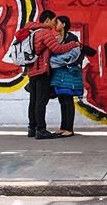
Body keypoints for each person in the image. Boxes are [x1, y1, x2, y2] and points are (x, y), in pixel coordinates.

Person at [18, 10, 80, 140]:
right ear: (47, 20)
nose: (53, 24)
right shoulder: (45, 32)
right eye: (53, 20)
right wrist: (74, 44)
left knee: (33, 100)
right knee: (41, 101)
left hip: (32, 70)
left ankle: (32, 128)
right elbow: (58, 49)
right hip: (42, 70)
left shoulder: (31, 31)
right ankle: (41, 129)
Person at [50, 16, 86, 138]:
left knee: (68, 100)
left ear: (64, 24)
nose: (55, 25)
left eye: (57, 22)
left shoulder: (72, 38)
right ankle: (63, 127)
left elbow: (72, 55)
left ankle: (69, 128)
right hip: (59, 74)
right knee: (62, 99)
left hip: (69, 73)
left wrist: (54, 61)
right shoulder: (56, 39)